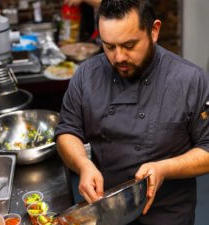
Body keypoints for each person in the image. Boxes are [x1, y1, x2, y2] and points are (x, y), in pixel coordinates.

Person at [55, 0, 209, 224]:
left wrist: (164, 168)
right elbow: (67, 131)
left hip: (166, 215)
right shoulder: (87, 74)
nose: (118, 58)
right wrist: (83, 164)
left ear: (154, 30)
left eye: (129, 46)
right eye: (109, 46)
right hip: (104, 209)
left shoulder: (190, 80)